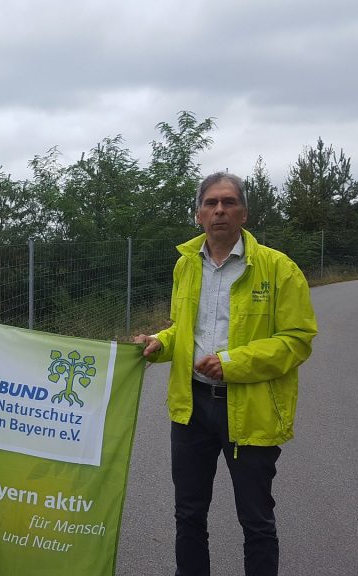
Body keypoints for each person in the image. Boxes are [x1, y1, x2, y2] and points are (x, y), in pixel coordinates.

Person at [134, 172, 318, 576]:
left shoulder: (278, 268)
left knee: (256, 521)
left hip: (250, 411)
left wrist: (232, 364)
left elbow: (297, 340)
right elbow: (185, 328)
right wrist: (161, 343)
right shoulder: (186, 266)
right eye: (211, 203)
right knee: (188, 516)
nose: (220, 210)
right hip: (191, 409)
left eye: (229, 202)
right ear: (198, 215)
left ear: (244, 213)